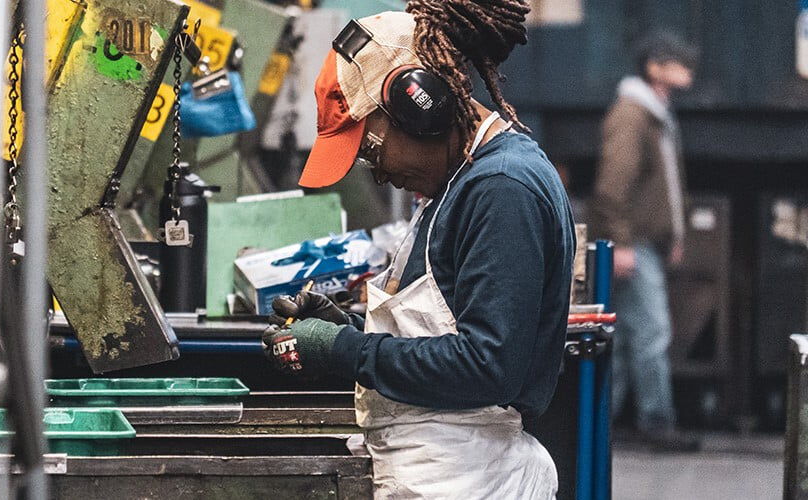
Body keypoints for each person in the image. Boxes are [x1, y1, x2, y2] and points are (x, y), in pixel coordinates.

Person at [259, 3, 574, 498]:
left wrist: (345, 351)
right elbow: (446, 331)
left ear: (421, 104)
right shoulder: (461, 183)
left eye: (371, 150)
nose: (378, 173)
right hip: (444, 469)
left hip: (469, 478)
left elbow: (487, 366)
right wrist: (349, 328)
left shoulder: (501, 188)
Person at [589, 33, 700, 451]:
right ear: (654, 67)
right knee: (652, 332)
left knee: (620, 336)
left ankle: (603, 423)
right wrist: (621, 244)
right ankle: (657, 424)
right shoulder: (633, 115)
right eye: (677, 61)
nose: (687, 68)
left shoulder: (654, 115)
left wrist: (673, 235)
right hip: (631, 242)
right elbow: (612, 186)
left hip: (644, 241)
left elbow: (665, 186)